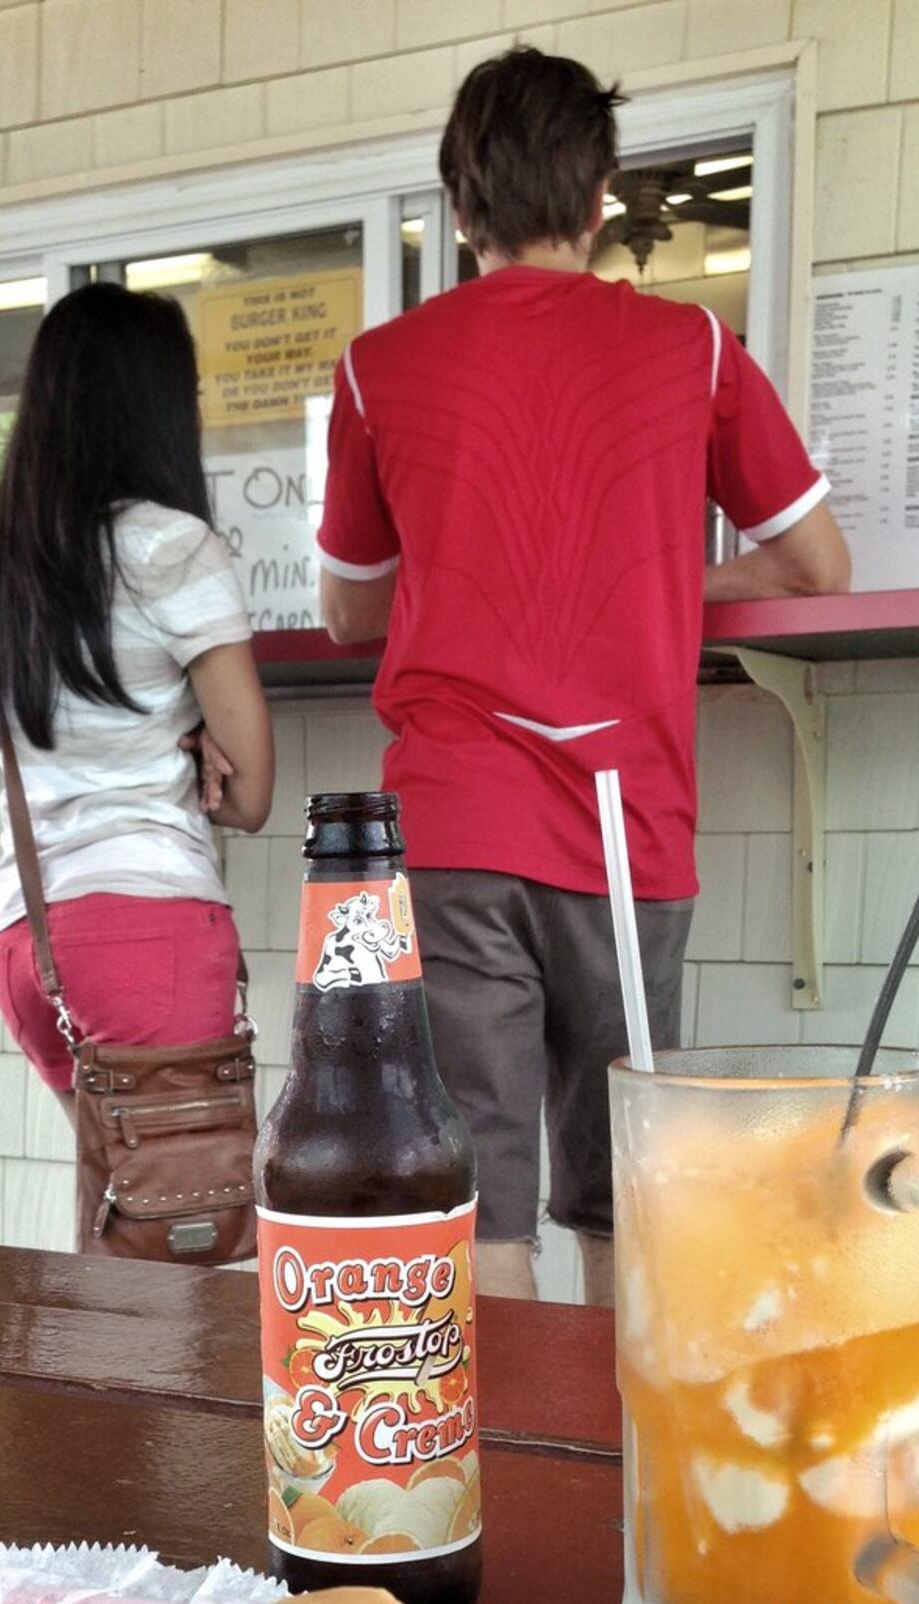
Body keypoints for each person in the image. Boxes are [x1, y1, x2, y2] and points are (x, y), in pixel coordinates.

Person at [315, 46, 850, 1305]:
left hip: (449, 820)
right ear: (600, 196)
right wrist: (666, 572)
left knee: (479, 1187)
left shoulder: (377, 367)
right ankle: (615, 1479)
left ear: (457, 208)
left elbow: (347, 609)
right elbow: (814, 563)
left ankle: (501, 1479)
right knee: (626, 1188)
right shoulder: (692, 351)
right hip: (627, 821)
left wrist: (458, 565)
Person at [0, 281, 274, 1125]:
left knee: (118, 1222)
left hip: (27, 937)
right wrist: (202, 735)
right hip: (141, 926)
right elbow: (249, 796)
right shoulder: (172, 545)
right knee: (182, 1229)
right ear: (159, 408)